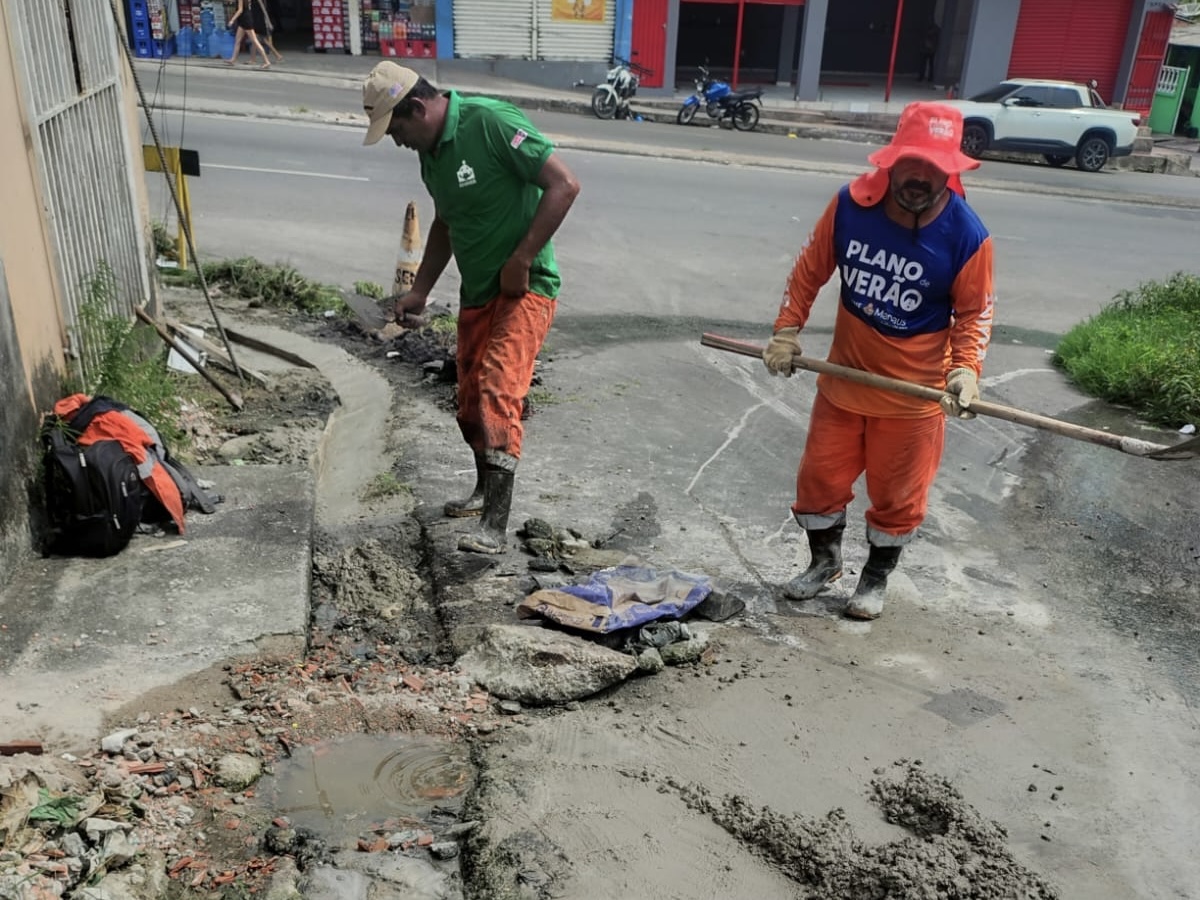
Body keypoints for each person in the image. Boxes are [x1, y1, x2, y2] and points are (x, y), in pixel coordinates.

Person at [762, 101, 994, 620]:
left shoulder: (967, 235)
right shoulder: (850, 207)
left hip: (912, 401)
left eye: (935, 166)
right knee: (818, 482)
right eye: (912, 162)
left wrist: (964, 370)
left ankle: (875, 578)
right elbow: (809, 270)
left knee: (897, 498)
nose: (920, 177)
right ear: (892, 159)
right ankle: (824, 563)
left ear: (951, 171)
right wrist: (787, 330)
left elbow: (974, 313)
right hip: (844, 385)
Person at [361, 63, 580, 555]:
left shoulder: (492, 123)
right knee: (469, 403)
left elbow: (565, 185)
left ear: (417, 108)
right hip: (479, 292)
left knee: (499, 390)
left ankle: (494, 527)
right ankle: (483, 491)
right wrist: (419, 291)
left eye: (396, 129)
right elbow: (446, 222)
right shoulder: (432, 155)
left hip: (525, 289)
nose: (397, 141)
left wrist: (522, 259)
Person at [225, 0, 271, 68]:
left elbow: (240, 10)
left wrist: (232, 20)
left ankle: (267, 61)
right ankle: (233, 59)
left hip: (245, 20)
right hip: (244, 19)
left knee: (255, 41)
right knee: (237, 40)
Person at [918, 17, 940, 83]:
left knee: (929, 64)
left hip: (930, 49)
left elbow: (934, 38)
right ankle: (924, 77)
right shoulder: (932, 28)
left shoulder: (935, 29)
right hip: (927, 49)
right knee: (925, 64)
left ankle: (928, 77)